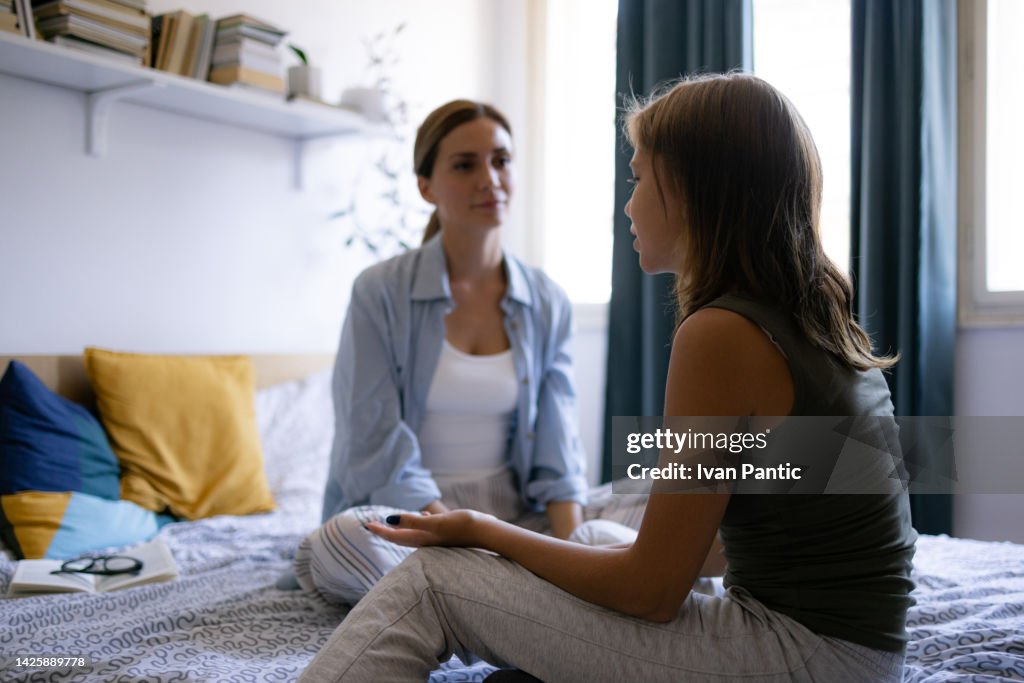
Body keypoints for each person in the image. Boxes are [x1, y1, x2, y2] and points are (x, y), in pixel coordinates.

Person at [298, 74, 917, 682]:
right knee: (592, 544)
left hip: (802, 655)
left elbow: (651, 592)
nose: (628, 201)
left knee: (432, 583)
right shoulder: (807, 312)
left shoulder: (720, 334)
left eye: (640, 176)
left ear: (694, 188)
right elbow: (746, 540)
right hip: (849, 652)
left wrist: (484, 534)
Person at [293, 99, 646, 606]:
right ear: (426, 186)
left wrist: (571, 546)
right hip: (414, 514)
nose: (489, 178)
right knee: (339, 542)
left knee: (669, 489)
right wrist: (460, 532)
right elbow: (372, 445)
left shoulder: (546, 300)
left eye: (501, 160)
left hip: (517, 513)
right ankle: (511, 593)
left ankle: (487, 595)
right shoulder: (379, 292)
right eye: (465, 164)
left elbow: (557, 441)